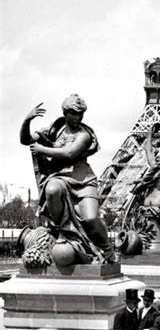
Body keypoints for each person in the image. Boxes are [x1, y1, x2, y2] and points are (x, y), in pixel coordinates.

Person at [20, 97, 115, 263]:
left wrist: (42, 149)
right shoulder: (54, 130)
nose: (78, 117)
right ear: (65, 113)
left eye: (80, 114)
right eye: (73, 114)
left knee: (91, 218)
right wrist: (27, 120)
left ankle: (107, 249)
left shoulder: (84, 135)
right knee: (51, 190)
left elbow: (69, 153)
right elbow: (25, 140)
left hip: (83, 180)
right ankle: (66, 233)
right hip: (60, 177)